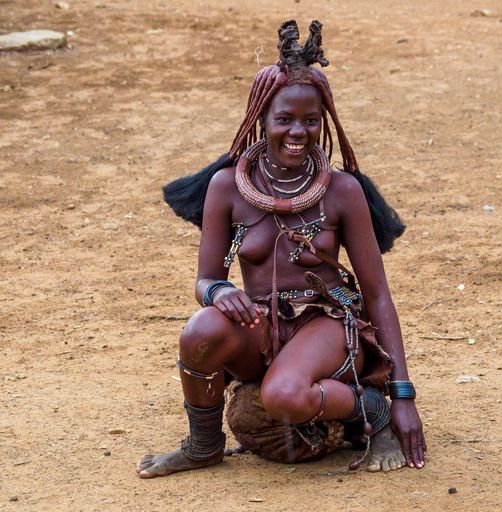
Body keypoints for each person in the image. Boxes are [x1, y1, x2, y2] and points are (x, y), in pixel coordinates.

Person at [136, 20, 426, 478]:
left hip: (327, 324)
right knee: (198, 333)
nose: (299, 132)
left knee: (284, 396)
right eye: (285, 119)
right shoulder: (227, 187)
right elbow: (206, 279)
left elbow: (378, 295)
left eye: (311, 121)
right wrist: (216, 293)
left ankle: (371, 410)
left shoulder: (343, 191)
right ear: (261, 120)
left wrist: (402, 394)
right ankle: (203, 445)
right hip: (259, 324)